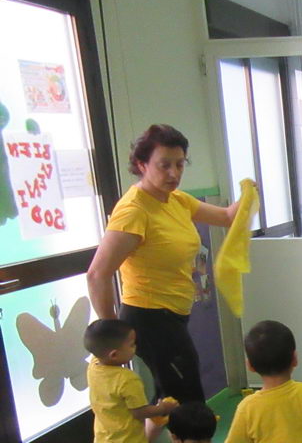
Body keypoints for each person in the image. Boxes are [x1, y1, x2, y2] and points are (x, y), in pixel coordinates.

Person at [86, 124, 243, 403]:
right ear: (141, 164)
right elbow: (97, 274)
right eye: (164, 165)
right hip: (148, 316)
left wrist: (249, 194)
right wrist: (113, 335)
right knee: (187, 397)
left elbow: (228, 217)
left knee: (169, 392)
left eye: (180, 164)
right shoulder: (134, 210)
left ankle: (152, 442)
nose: (174, 173)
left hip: (173, 313)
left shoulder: (176, 200)